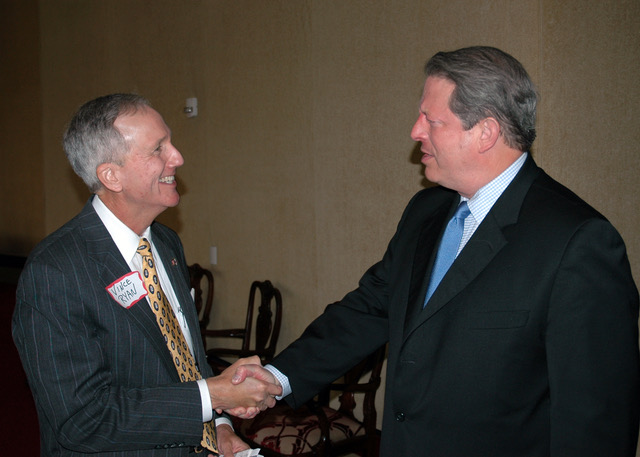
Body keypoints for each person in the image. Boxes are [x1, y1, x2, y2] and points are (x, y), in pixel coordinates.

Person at [235, 46, 640, 456]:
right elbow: (370, 309)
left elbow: (596, 419)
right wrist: (276, 377)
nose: (415, 131)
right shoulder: (425, 211)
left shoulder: (577, 241)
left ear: (485, 132)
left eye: (431, 120)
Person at [12, 93, 282, 457]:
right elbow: (83, 420)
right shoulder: (55, 271)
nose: (178, 157)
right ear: (111, 175)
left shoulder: (166, 243)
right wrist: (215, 394)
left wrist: (219, 427)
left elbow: (185, 356)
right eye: (158, 149)